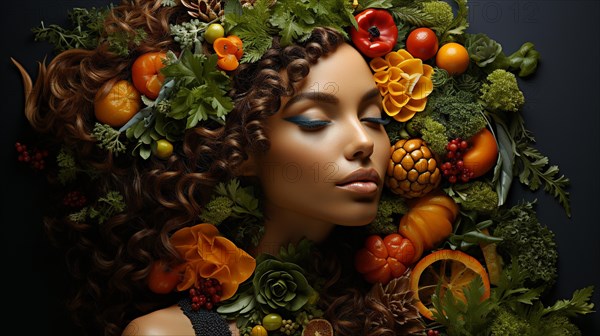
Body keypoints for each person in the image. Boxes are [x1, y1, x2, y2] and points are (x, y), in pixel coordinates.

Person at [16, 1, 423, 335]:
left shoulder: (411, 300)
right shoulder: (171, 335)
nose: (365, 142)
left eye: (375, 119)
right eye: (315, 121)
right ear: (243, 149)